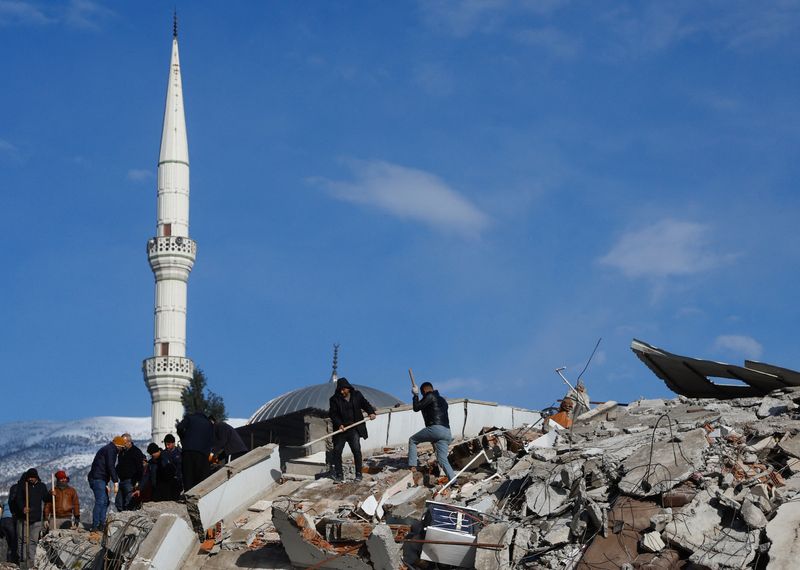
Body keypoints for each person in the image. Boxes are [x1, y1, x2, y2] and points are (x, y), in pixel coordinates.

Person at [328, 377, 376, 482]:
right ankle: (339, 475)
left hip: (354, 428)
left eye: (343, 389)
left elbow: (365, 404)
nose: (341, 392)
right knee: (337, 451)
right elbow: (333, 414)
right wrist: (339, 424)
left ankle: (359, 474)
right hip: (341, 430)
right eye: (340, 390)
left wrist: (371, 412)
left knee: (356, 450)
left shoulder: (357, 395)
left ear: (348, 388)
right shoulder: (334, 399)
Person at [408, 381, 456, 483]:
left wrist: (415, 395)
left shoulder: (429, 396)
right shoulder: (442, 400)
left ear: (424, 390)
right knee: (442, 459)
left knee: (412, 440)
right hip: (447, 432)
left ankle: (412, 466)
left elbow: (416, 407)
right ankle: (453, 482)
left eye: (422, 393)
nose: (423, 396)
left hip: (436, 429)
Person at [87, 436, 126, 532]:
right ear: (119, 446)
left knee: (105, 501)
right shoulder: (111, 450)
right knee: (101, 501)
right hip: (98, 478)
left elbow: (102, 466)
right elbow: (110, 466)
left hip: (100, 478)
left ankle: (101, 524)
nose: (121, 450)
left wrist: (106, 482)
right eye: (122, 448)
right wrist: (115, 481)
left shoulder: (108, 449)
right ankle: (95, 525)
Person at [11, 469, 49, 564]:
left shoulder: (41, 486)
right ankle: (23, 559)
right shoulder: (23, 486)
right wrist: (22, 508)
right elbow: (18, 499)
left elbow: (46, 499)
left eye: (32, 477)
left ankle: (31, 560)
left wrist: (52, 495)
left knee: (33, 540)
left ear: (36, 477)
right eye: (29, 477)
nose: (30, 479)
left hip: (36, 518)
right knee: (23, 540)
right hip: (23, 518)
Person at [176, 412, 214, 491]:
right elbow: (211, 440)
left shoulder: (189, 418)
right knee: (201, 478)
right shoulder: (208, 423)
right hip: (202, 454)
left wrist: (183, 439)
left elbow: (179, 427)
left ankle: (188, 497)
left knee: (188, 476)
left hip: (188, 451)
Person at [115, 433, 145, 511]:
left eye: (123, 443)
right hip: (121, 480)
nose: (122, 445)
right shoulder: (122, 452)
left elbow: (140, 468)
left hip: (131, 481)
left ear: (129, 442)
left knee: (129, 503)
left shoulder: (136, 452)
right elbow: (119, 465)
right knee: (119, 503)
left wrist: (138, 482)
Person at [1, 498, 18, 564]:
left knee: (10, 543)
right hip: (10, 520)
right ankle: (13, 562)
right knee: (14, 543)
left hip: (3, 521)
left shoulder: (6, 500)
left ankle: (9, 561)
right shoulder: (17, 499)